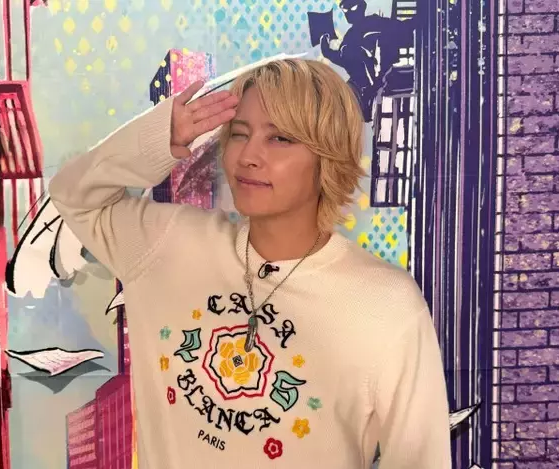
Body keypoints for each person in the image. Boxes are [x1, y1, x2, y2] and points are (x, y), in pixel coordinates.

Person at [49, 58, 451, 469]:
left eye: (280, 139)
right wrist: (156, 139)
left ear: (328, 156)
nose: (248, 156)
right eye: (239, 134)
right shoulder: (167, 244)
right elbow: (74, 195)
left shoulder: (386, 306)